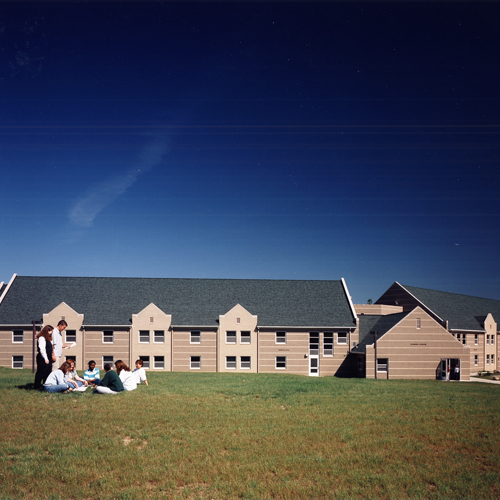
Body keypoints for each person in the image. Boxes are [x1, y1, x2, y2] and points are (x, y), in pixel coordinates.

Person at [34, 325, 55, 390]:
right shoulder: (41, 338)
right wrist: (46, 358)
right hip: (42, 357)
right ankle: (37, 386)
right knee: (41, 372)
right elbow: (42, 349)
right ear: (46, 331)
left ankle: (45, 386)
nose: (51, 332)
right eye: (50, 331)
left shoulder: (48, 339)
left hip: (48, 356)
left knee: (48, 372)